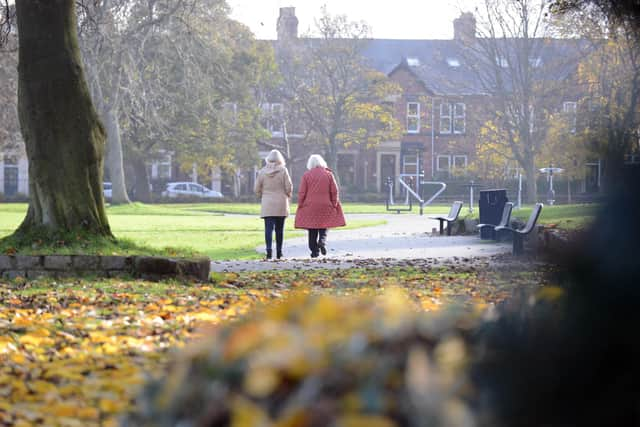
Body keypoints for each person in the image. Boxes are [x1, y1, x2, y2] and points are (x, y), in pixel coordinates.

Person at [294, 154, 346, 258]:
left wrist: (300, 204)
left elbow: (302, 192)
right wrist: (334, 203)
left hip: (310, 206)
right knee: (324, 226)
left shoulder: (306, 175)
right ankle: (322, 241)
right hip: (326, 205)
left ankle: (314, 251)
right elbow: (334, 191)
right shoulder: (329, 174)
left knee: (312, 229)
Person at [254, 149, 293, 259]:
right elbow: (289, 186)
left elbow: (256, 188)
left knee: (268, 229)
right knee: (279, 229)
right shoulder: (283, 170)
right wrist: (288, 195)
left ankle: (269, 250)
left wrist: (262, 195)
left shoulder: (262, 171)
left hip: (267, 202)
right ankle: (279, 251)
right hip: (281, 202)